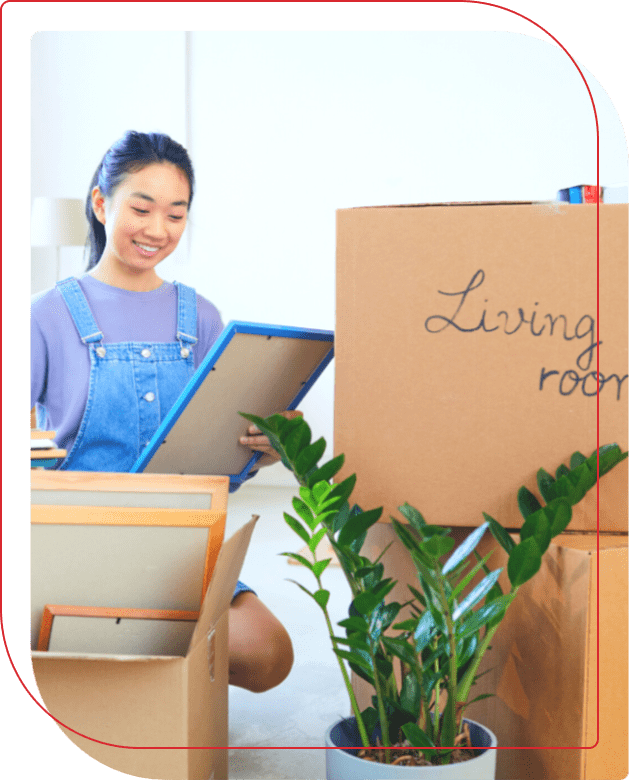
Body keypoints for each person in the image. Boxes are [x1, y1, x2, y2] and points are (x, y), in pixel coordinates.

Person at [30, 130, 293, 692]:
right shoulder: (45, 314)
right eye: (141, 207)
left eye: (176, 214)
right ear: (102, 205)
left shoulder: (200, 316)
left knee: (269, 654)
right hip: (78, 536)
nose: (157, 230)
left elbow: (222, 461)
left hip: (182, 540)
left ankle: (126, 657)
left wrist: (266, 450)